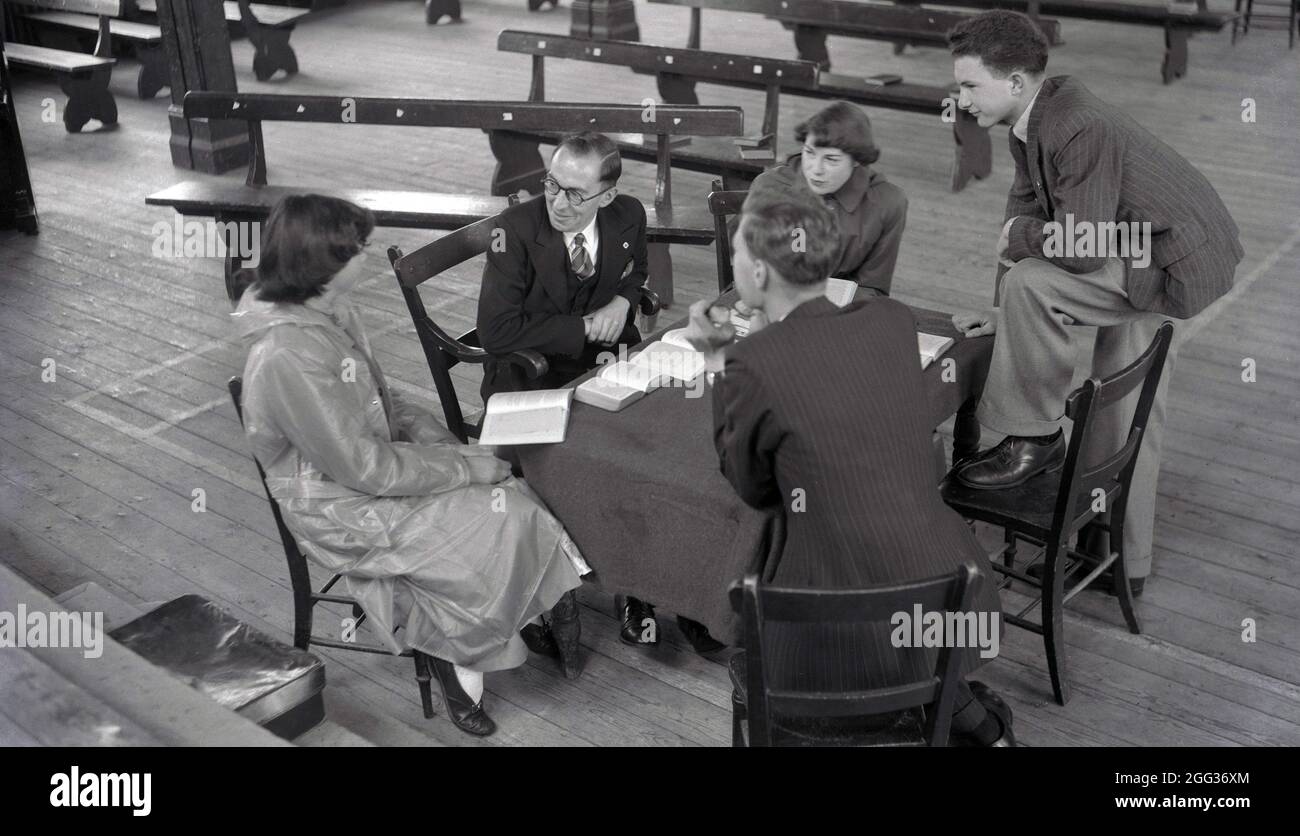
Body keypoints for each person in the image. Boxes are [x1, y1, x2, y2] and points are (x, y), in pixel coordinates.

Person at [234, 194, 588, 738]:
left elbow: (385, 403)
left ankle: (499, 623)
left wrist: (450, 448)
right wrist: (467, 467)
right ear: (327, 265)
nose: (367, 255)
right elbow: (366, 471)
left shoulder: (326, 309)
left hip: (370, 470)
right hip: (337, 503)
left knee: (511, 498)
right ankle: (456, 653)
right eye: (360, 248)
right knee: (497, 516)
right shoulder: (287, 355)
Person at [682, 198, 1015, 746]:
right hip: (949, 583)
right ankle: (975, 726)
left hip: (831, 627)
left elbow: (758, 492)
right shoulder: (890, 319)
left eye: (739, 255)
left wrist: (722, 364)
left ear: (759, 272)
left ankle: (965, 721)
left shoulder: (750, 365)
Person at [945, 11, 1244, 595]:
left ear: (1014, 83)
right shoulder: (1027, 124)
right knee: (1123, 409)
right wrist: (1008, 313)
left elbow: (1077, 250)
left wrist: (1018, 256)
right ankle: (1117, 560)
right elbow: (1023, 219)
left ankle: (1033, 438)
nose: (959, 100)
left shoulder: (1076, 123)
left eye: (969, 85)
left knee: (1035, 280)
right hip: (1142, 243)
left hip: (1175, 260)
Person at [475, 131, 680, 649]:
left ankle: (639, 584)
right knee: (606, 458)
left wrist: (624, 302)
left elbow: (637, 273)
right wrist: (587, 326)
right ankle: (579, 581)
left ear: (607, 196)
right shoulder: (514, 231)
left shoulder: (628, 214)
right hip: (531, 378)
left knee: (659, 446)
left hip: (609, 366)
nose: (557, 203)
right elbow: (496, 332)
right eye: (552, 184)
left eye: (574, 194)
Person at [745, 101, 907, 295]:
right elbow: (749, 265)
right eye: (809, 153)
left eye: (831, 159)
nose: (816, 169)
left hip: (843, 310)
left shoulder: (888, 202)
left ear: (856, 160)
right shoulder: (769, 187)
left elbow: (873, 288)